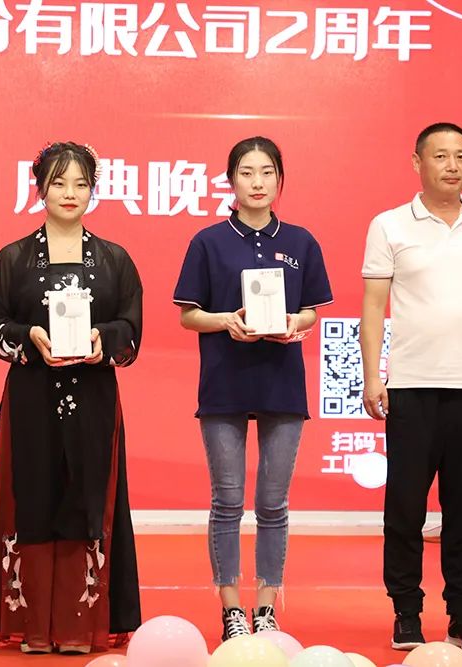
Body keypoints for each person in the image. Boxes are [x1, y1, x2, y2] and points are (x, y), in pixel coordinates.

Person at [359, 122, 462, 654]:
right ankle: (406, 612)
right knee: (405, 508)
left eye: (461, 156)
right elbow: (374, 306)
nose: (452, 166)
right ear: (417, 163)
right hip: (411, 387)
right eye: (441, 156)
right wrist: (372, 375)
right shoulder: (389, 225)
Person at [0, 141, 142, 655]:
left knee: (87, 499)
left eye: (81, 183)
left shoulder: (115, 259)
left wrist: (103, 341)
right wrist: (30, 338)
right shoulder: (14, 258)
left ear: (93, 190)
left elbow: (132, 330)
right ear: (40, 189)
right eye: (59, 183)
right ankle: (32, 627)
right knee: (31, 497)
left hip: (93, 401)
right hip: (30, 400)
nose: (70, 193)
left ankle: (78, 626)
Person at [173, 136, 333, 641]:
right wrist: (227, 320)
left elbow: (311, 311)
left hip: (282, 382)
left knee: (272, 503)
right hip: (224, 381)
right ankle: (231, 610)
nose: (257, 182)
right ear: (231, 180)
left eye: (267, 172)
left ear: (279, 179)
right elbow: (188, 315)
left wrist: (293, 322)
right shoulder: (208, 242)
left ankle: (266, 606)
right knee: (226, 500)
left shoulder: (301, 242)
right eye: (246, 172)